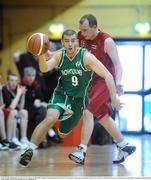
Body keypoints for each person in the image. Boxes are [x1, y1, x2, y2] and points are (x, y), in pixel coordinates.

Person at [19, 29, 123, 166]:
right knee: (50, 117)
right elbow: (44, 69)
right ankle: (29, 149)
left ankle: (57, 131)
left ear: (77, 42)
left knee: (62, 133)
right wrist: (41, 54)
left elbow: (108, 75)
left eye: (73, 40)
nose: (70, 44)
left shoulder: (86, 57)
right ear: (62, 43)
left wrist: (114, 98)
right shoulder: (59, 55)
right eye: (67, 41)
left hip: (78, 101)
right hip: (61, 94)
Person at [68, 14, 136, 164]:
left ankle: (81, 151)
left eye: (85, 30)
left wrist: (117, 83)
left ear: (94, 27)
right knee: (103, 117)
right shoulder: (81, 36)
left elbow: (118, 64)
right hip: (90, 81)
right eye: (81, 30)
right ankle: (124, 145)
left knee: (87, 111)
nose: (82, 33)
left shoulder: (106, 41)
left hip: (105, 80)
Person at [21, 66, 62, 144]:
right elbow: (23, 105)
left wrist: (40, 102)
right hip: (25, 111)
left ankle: (42, 140)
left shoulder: (36, 85)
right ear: (25, 75)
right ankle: (49, 132)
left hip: (35, 111)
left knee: (43, 112)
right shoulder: (21, 86)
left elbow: (40, 98)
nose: (31, 78)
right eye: (29, 75)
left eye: (33, 75)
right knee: (42, 111)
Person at [2, 74, 30, 149]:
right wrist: (18, 94)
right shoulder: (4, 90)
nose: (14, 83)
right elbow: (11, 108)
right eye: (12, 80)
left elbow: (20, 107)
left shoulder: (13, 91)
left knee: (24, 112)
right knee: (13, 112)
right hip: (4, 114)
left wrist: (23, 95)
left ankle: (23, 139)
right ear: (7, 81)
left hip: (11, 113)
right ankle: (9, 140)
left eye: (15, 81)